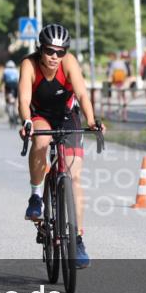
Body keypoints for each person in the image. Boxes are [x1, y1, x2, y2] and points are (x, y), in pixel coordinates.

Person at [18, 23, 104, 269]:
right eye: (49, 51)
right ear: (40, 49)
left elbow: (82, 94)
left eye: (60, 52)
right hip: (40, 115)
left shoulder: (69, 63)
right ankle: (36, 197)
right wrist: (26, 121)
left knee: (74, 176)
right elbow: (24, 99)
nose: (55, 57)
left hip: (67, 116)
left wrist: (91, 120)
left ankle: (76, 240)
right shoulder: (29, 64)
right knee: (42, 140)